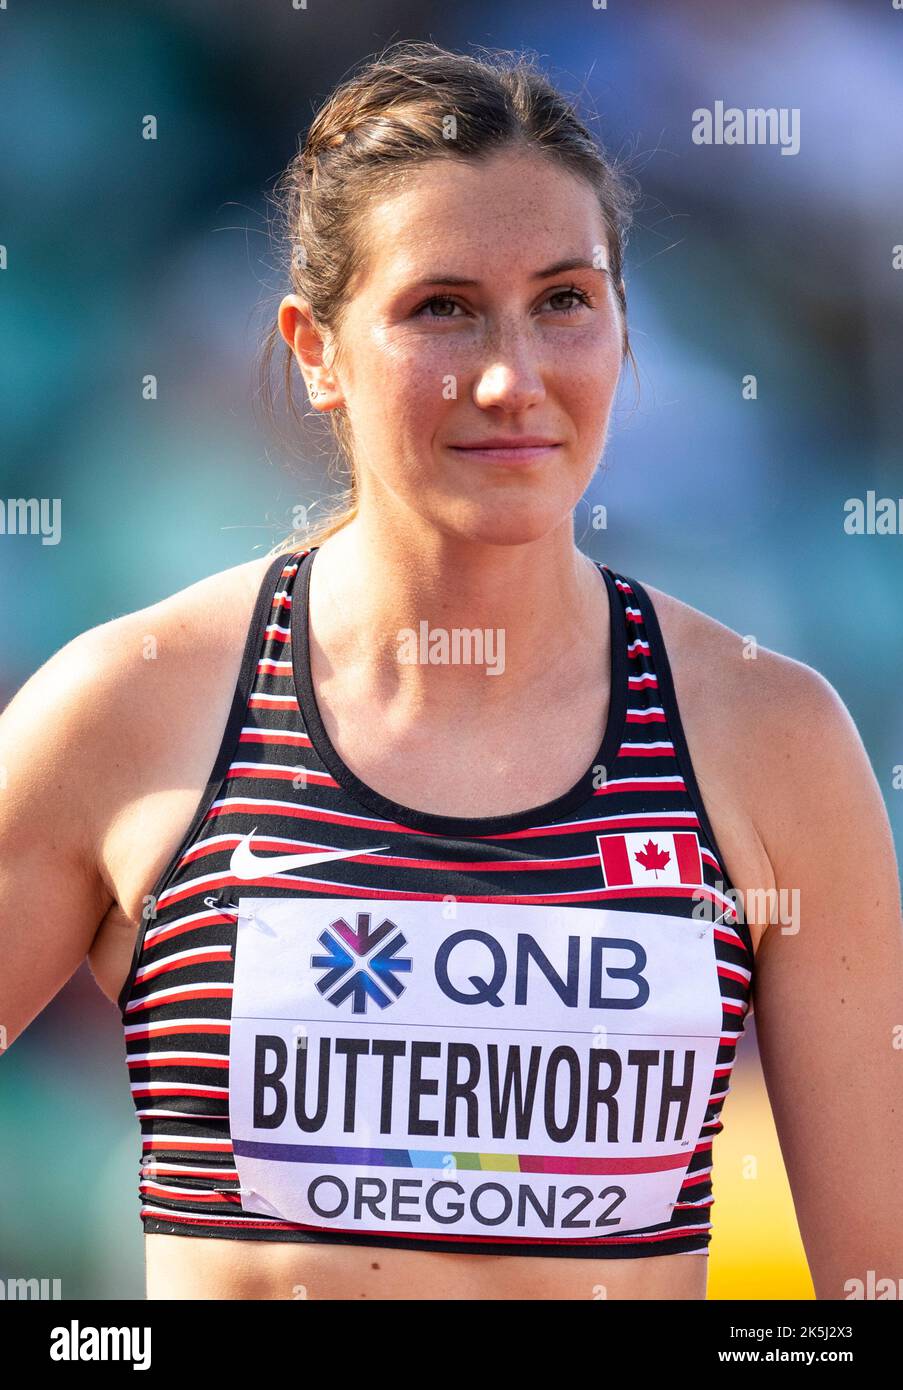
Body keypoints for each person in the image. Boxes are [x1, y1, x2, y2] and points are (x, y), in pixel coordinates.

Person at [1, 41, 901, 1303]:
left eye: (565, 301)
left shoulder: (771, 736)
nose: (512, 379)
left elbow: (872, 1299)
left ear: (625, 326)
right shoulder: (136, 704)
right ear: (315, 349)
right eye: (442, 307)